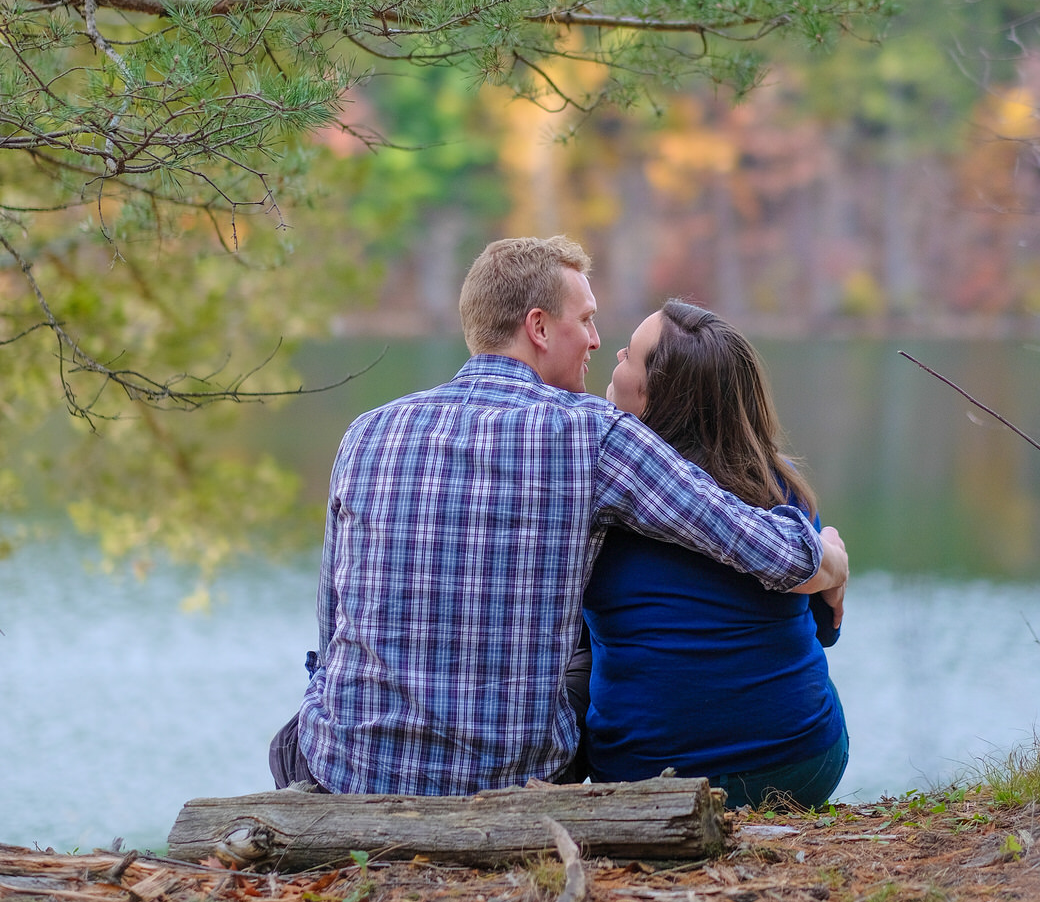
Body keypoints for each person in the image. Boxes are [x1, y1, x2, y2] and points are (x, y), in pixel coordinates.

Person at [270, 238, 848, 796]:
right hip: (513, 783)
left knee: (295, 732)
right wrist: (829, 556)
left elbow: (331, 622)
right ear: (539, 328)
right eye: (588, 321)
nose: (598, 341)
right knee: (581, 657)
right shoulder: (592, 433)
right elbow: (763, 546)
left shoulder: (365, 433)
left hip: (353, 772)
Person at [582, 299, 849, 808]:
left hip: (645, 779)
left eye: (629, 356)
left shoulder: (600, 498)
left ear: (656, 395)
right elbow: (824, 630)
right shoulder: (780, 489)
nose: (614, 353)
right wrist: (828, 548)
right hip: (800, 763)